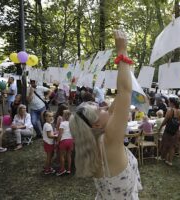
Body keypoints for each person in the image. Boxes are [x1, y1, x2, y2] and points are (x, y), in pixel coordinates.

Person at [69, 30, 142, 199]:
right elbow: (124, 91)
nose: (104, 107)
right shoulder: (109, 139)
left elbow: (114, 104)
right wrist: (122, 50)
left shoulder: (91, 140)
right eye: (99, 109)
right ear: (95, 124)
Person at [158, 98, 180, 166]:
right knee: (172, 146)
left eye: (169, 102)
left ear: (172, 103)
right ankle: (170, 161)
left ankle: (162, 157)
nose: (168, 103)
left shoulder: (170, 110)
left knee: (165, 144)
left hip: (168, 130)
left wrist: (160, 128)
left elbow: (165, 120)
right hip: (175, 131)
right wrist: (176, 127)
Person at [56, 110, 73, 176]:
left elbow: (60, 134)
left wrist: (57, 141)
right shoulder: (71, 123)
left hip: (64, 141)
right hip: (70, 140)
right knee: (69, 155)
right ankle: (69, 169)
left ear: (64, 116)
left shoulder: (62, 124)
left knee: (62, 155)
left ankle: (62, 169)